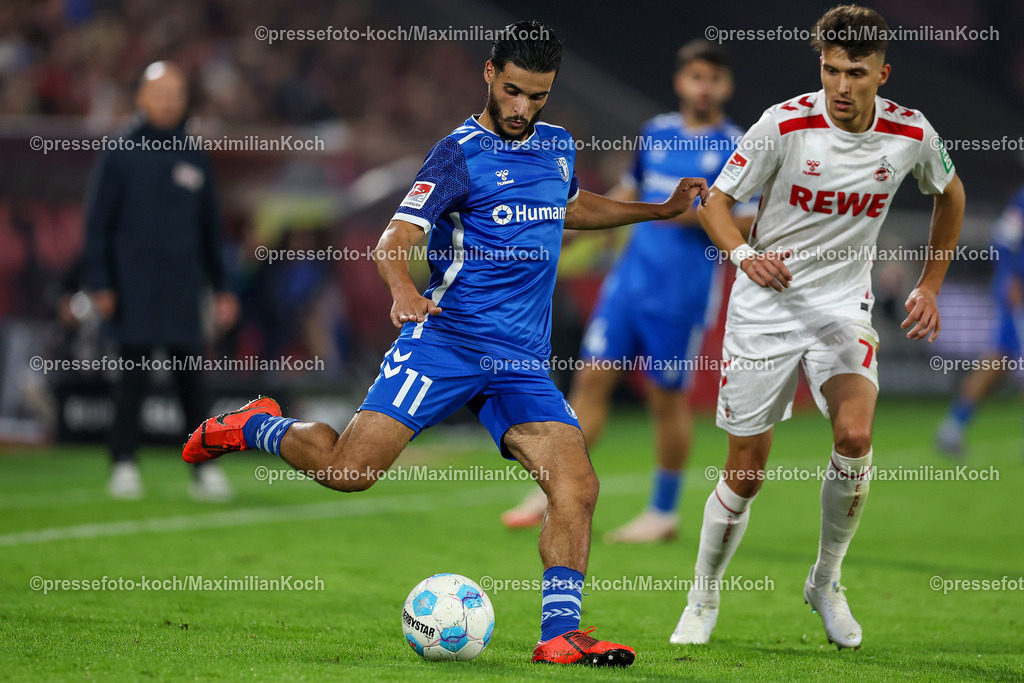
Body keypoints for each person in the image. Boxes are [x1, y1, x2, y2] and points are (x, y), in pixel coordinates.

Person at [182, 22, 709, 667]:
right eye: (513, 91)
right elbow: (394, 240)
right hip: (448, 341)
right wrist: (403, 291)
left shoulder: (557, 145)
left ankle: (560, 634)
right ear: (489, 73)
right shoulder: (456, 154)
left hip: (519, 361)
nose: (522, 109)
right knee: (351, 471)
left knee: (576, 485)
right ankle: (258, 424)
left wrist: (655, 210)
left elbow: (569, 207)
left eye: (537, 97)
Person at [669, 5, 965, 650]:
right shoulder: (782, 123)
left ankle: (826, 581)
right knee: (746, 472)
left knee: (855, 436)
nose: (841, 85)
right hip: (764, 308)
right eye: (831, 70)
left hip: (842, 307)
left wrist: (931, 283)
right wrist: (746, 256)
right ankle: (704, 594)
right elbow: (716, 203)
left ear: (881, 73)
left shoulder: (911, 134)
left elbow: (950, 193)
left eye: (856, 72)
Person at [501, 40, 756, 543]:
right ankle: (553, 487)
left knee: (665, 400)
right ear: (681, 82)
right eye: (695, 77)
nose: (704, 88)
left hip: (679, 297)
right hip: (627, 285)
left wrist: (691, 215)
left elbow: (746, 218)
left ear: (726, 87)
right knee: (591, 382)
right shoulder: (655, 131)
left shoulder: (739, 144)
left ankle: (662, 511)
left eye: (714, 79)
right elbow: (627, 193)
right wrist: (568, 225)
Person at [82, 61, 239, 501]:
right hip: (131, 288)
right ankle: (124, 464)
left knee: (192, 382)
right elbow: (97, 225)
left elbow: (212, 231)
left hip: (183, 289)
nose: (168, 100)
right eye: (159, 92)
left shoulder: (195, 157)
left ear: (184, 99)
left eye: (175, 93)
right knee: (130, 380)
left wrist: (222, 288)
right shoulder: (119, 153)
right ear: (141, 97)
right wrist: (100, 283)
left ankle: (205, 469)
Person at [936, 184, 1024, 456]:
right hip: (1018, 291)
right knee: (999, 358)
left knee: (999, 358)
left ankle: (953, 426)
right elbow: (1000, 241)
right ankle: (953, 426)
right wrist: (1011, 277)